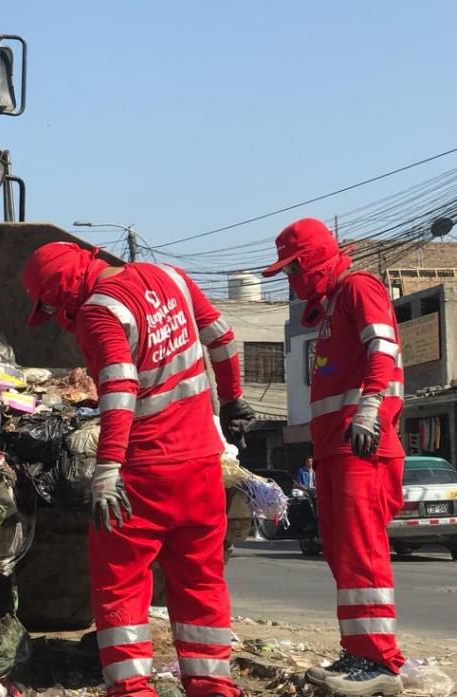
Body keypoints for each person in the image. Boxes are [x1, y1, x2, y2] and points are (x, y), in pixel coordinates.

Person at [23, 242, 255, 697]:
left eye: (50, 305)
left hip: (144, 473)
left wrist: (107, 467)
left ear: (63, 290)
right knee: (200, 580)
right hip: (203, 465)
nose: (54, 316)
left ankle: (132, 690)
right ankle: (211, 686)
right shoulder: (171, 277)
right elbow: (223, 337)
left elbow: (120, 384)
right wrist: (231, 399)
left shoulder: (97, 312)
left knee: (120, 583)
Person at [262, 218, 405, 696]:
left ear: (314, 259)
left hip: (360, 444)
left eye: (293, 268)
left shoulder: (358, 288)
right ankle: (362, 649)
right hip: (336, 449)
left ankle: (377, 661)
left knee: (361, 553)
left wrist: (368, 411)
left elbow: (382, 346)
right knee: (346, 555)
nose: (292, 279)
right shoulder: (331, 305)